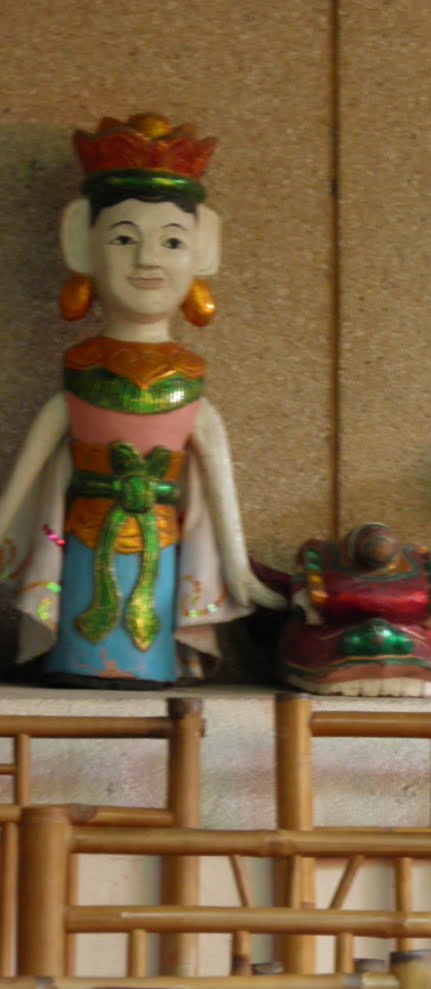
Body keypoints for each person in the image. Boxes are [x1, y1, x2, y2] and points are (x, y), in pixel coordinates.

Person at [0, 113, 281, 685]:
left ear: (204, 250)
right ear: (80, 242)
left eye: (172, 241)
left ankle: (148, 662)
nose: (147, 260)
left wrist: (238, 569)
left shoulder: (190, 386)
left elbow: (220, 494)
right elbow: (25, 480)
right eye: (123, 239)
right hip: (81, 531)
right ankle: (80, 660)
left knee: (148, 608)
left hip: (161, 536)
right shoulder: (79, 376)